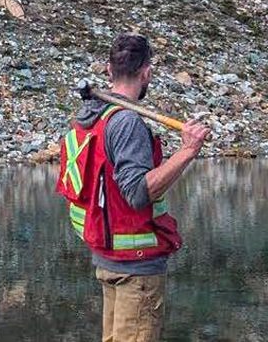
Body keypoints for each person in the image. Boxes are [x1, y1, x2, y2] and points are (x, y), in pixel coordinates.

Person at [56, 33, 210, 342]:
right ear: (146, 73)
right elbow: (138, 193)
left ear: (108, 71)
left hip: (110, 261)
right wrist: (187, 151)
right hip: (136, 269)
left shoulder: (90, 119)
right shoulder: (126, 123)